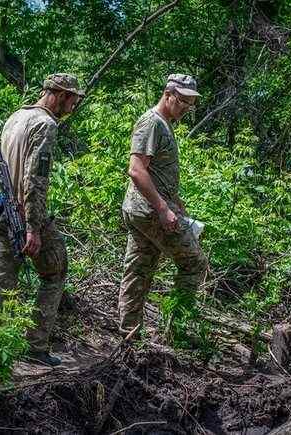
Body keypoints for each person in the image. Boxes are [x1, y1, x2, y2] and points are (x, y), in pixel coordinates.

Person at [0, 73, 83, 366]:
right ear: (61, 95)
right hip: (24, 214)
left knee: (0, 282)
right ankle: (35, 346)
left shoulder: (16, 117)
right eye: (72, 100)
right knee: (55, 268)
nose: (73, 106)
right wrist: (33, 227)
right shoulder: (46, 124)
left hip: (3, 209)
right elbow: (35, 179)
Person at [118, 74, 208, 336]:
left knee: (139, 268)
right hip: (149, 212)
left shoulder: (164, 124)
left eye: (190, 104)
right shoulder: (152, 123)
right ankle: (178, 329)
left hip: (144, 210)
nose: (186, 108)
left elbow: (155, 171)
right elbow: (136, 170)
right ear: (168, 94)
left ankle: (130, 334)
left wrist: (174, 200)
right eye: (182, 101)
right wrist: (162, 208)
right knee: (194, 262)